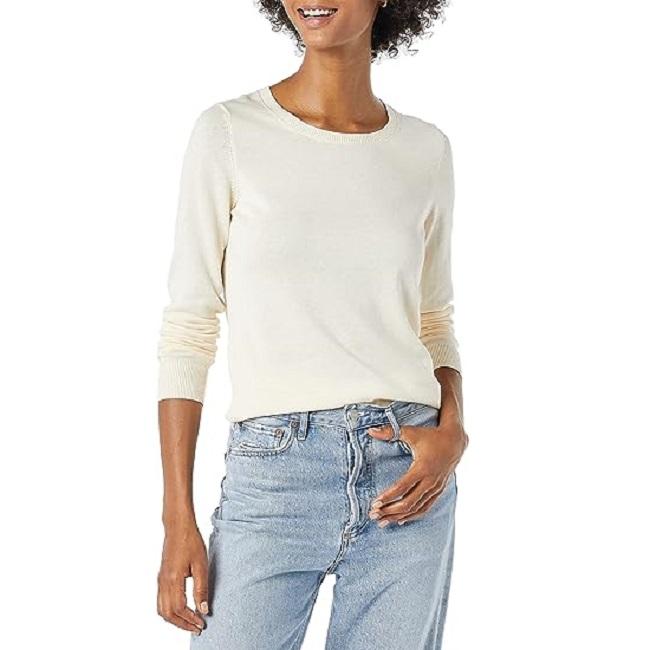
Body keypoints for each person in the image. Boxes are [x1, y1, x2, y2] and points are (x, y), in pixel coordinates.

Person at [156, 1, 469, 648]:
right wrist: (176, 515)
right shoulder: (230, 132)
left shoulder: (425, 150)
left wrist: (453, 431)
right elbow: (189, 326)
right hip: (275, 474)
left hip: (408, 469)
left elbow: (433, 316)